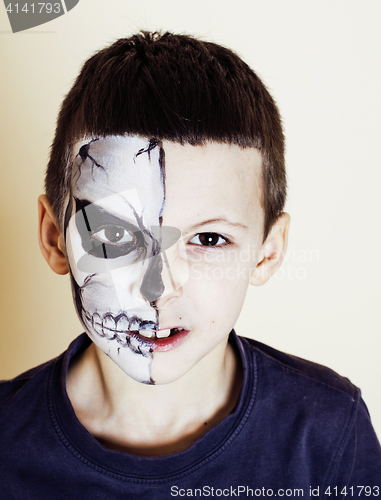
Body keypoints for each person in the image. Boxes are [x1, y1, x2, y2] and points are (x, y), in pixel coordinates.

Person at [0, 31, 379, 497]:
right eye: (115, 235)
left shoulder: (329, 431)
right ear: (55, 238)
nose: (158, 289)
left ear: (268, 251)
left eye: (209, 238)